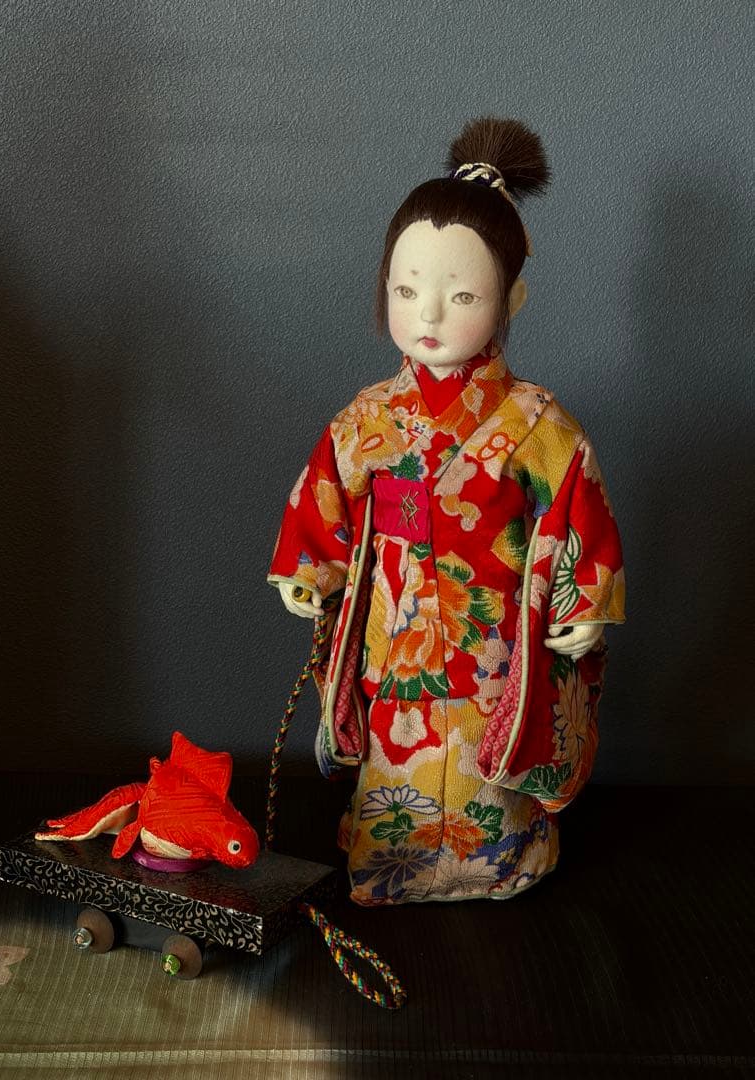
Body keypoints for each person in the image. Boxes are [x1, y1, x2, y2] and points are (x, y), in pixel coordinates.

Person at [268, 117, 625, 905]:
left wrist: (582, 603)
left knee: (486, 746)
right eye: (407, 291)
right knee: (395, 745)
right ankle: (388, 857)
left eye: (460, 295)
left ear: (511, 297)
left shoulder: (535, 422)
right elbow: (327, 495)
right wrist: (310, 570)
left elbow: (576, 509)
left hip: (491, 630)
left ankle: (505, 856)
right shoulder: (369, 416)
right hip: (393, 624)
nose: (427, 315)